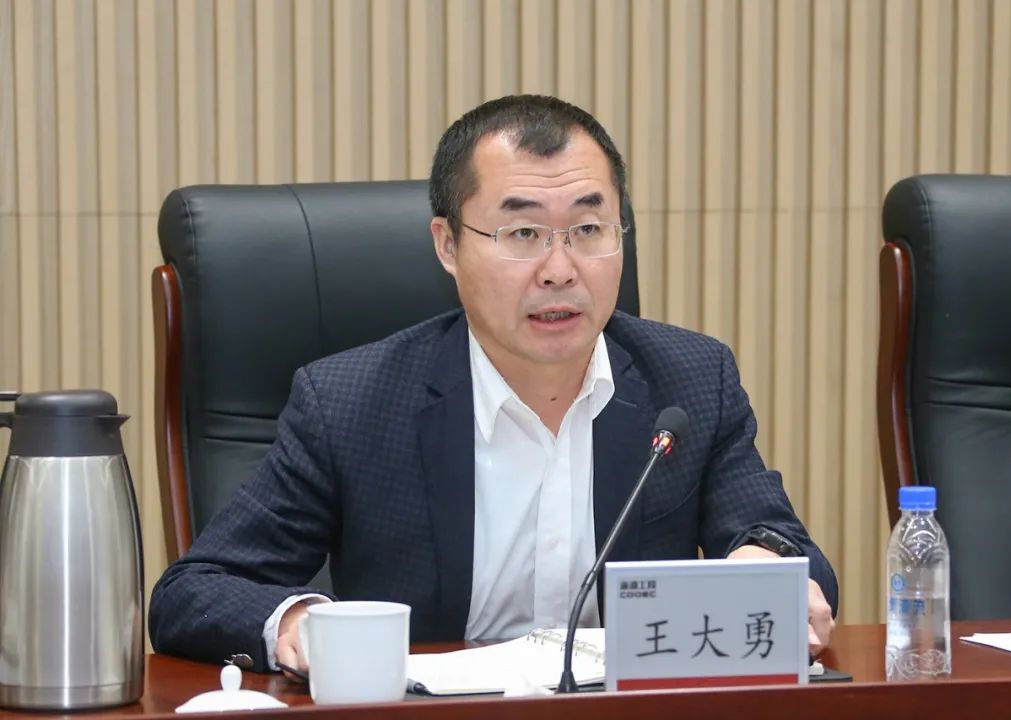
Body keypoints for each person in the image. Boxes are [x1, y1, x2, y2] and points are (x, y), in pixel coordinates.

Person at [149, 94, 838, 676]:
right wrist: (299, 621)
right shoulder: (353, 403)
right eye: (523, 233)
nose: (560, 269)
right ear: (448, 245)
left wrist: (766, 565)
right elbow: (194, 591)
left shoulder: (689, 379)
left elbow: (788, 549)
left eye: (589, 228)